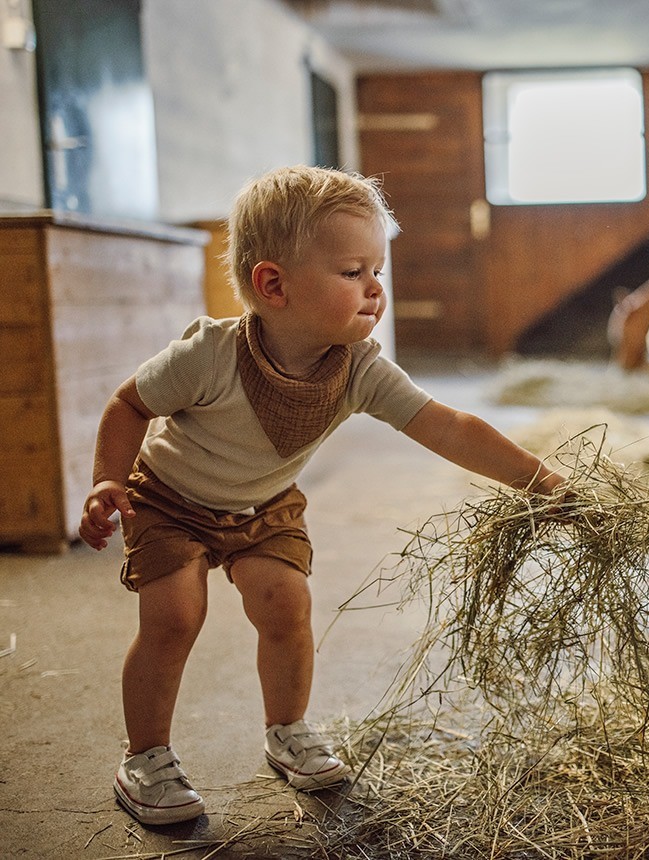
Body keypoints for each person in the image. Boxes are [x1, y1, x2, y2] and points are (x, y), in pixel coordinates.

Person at [79, 165, 566, 826]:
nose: (374, 290)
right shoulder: (210, 354)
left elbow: (448, 426)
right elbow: (127, 402)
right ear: (274, 284)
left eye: (379, 272)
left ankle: (288, 730)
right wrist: (108, 478)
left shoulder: (359, 369)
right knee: (174, 614)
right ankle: (146, 759)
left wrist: (541, 480)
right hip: (170, 499)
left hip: (266, 503)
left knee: (287, 603)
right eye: (352, 272)